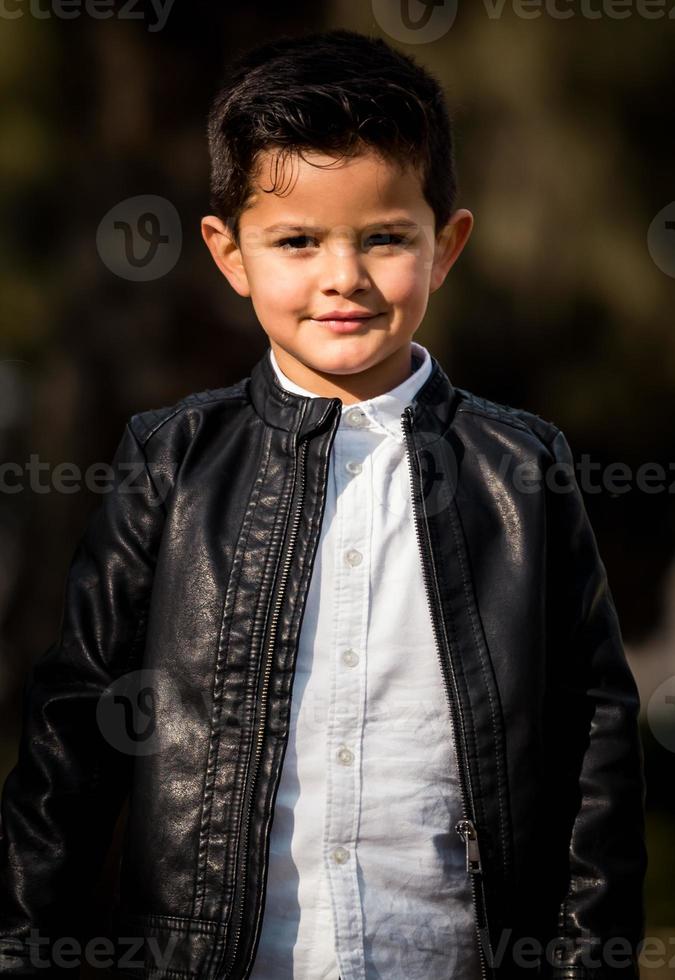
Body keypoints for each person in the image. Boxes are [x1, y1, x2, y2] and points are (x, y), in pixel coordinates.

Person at [0, 27, 646, 980]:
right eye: (296, 241)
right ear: (229, 254)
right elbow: (72, 735)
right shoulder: (172, 461)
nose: (342, 277)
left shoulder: (521, 471)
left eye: (384, 238)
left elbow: (596, 740)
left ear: (446, 244)